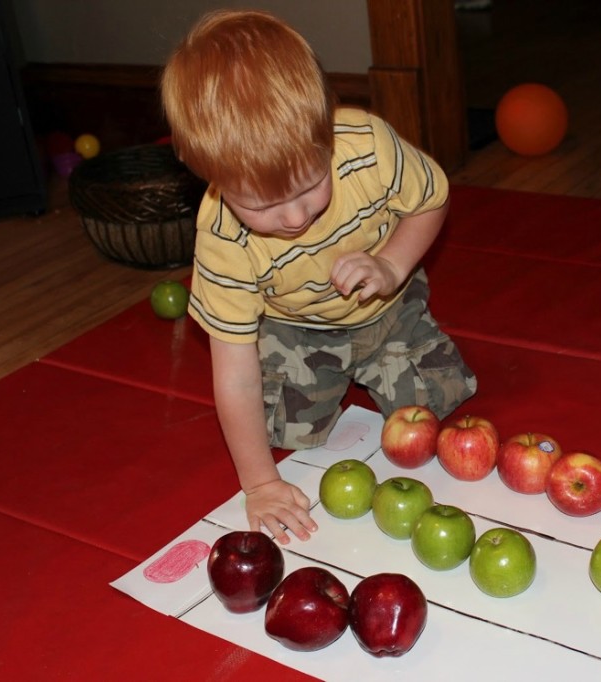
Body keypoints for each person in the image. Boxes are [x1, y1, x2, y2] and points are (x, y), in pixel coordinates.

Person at [161, 10, 476, 544]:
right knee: (285, 433)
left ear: (326, 131)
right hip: (297, 330)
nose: (293, 218)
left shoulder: (369, 145)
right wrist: (259, 482)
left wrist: (392, 265)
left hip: (388, 304)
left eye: (308, 186)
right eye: (261, 204)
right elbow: (234, 373)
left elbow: (433, 200)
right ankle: (326, 377)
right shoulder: (221, 236)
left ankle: (388, 350)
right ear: (211, 177)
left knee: (442, 398)